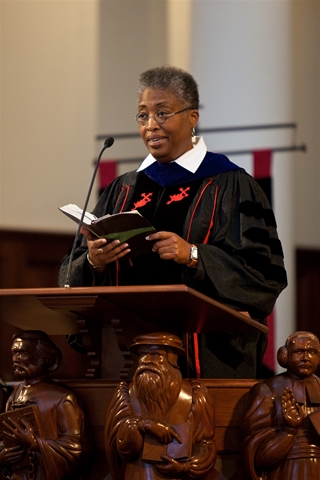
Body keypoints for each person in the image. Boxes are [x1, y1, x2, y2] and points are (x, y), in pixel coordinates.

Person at [58, 65, 287, 378]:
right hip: (124, 362)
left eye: (162, 113)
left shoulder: (229, 184)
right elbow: (70, 271)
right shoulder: (123, 188)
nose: (151, 125)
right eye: (143, 115)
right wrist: (95, 262)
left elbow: (265, 274)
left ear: (192, 117)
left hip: (202, 364)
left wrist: (194, 255)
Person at [104, 332, 216, 480]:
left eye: (156, 355)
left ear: (173, 360)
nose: (147, 360)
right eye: (143, 354)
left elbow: (206, 445)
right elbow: (117, 448)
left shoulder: (194, 395)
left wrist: (186, 467)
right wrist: (143, 426)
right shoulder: (126, 394)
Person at [0, 330, 91, 480]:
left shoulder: (62, 398)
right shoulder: (15, 394)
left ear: (43, 358)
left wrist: (34, 443)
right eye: (14, 353)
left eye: (22, 353)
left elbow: (76, 451)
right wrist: (2, 457)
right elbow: (5, 437)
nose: (16, 359)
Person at [242, 331, 320, 480]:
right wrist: (289, 431)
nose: (305, 358)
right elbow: (255, 454)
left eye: (312, 352)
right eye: (298, 352)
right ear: (284, 356)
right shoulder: (267, 390)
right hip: (284, 471)